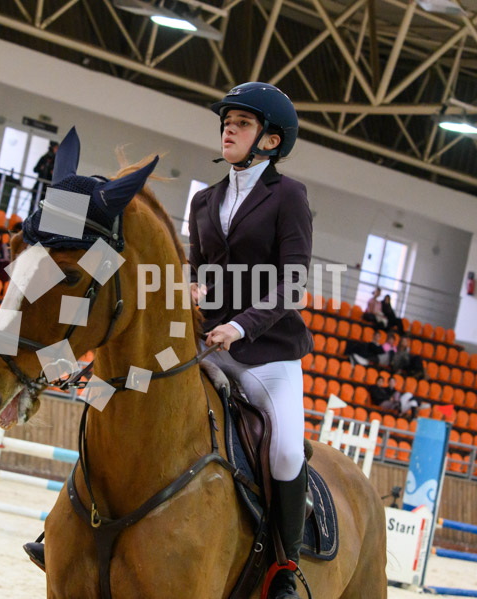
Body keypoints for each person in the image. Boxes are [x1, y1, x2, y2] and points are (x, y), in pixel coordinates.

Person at [188, 82, 311, 599]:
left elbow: (294, 279)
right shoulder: (204, 199)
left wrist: (241, 326)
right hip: (208, 344)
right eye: (226, 122)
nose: (228, 130)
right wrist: (192, 287)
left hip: (266, 353)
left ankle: (285, 568)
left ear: (270, 140)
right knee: (139, 392)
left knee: (284, 453)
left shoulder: (288, 195)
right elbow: (198, 267)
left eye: (241, 123)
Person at [31, 141, 58, 211]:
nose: (57, 150)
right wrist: (41, 168)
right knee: (33, 204)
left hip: (48, 187)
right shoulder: (44, 158)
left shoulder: (56, 160)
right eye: (56, 148)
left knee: (43, 207)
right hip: (39, 185)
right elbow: (35, 169)